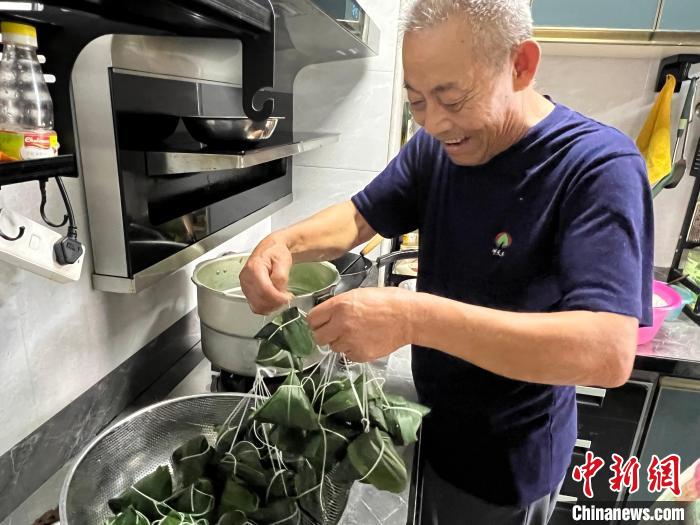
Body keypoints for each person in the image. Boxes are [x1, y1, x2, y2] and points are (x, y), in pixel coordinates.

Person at [240, 0, 653, 523]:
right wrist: (282, 244)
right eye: (416, 101)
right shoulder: (438, 147)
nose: (435, 122)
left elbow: (607, 353)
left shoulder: (596, 166)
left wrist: (411, 318)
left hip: (506, 466)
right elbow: (361, 216)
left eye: (452, 99)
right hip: (437, 427)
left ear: (521, 65)